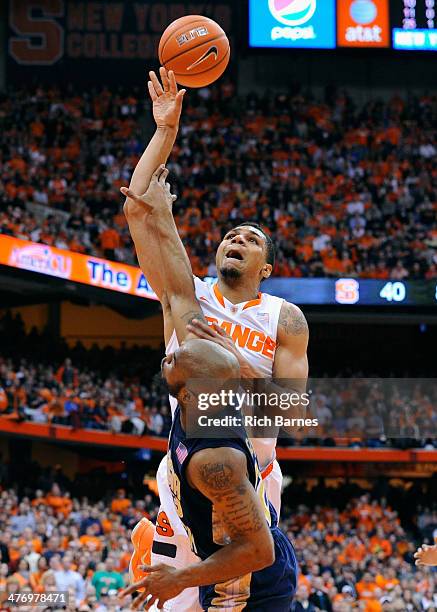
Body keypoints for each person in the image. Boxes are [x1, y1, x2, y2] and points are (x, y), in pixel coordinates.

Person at [123, 68, 309, 611]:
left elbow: (293, 409)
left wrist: (229, 365)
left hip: (248, 468)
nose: (236, 238)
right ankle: (162, 544)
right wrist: (164, 132)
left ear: (266, 267)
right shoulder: (189, 296)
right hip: (187, 457)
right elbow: (139, 207)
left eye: (250, 239)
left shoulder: (286, 317)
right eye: (231, 233)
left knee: (234, 588)